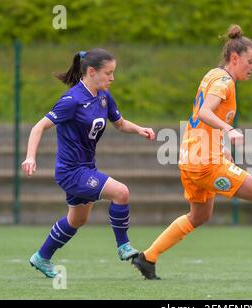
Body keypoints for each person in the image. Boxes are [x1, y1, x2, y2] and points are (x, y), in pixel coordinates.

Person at [131, 25, 252, 280]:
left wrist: (221, 144)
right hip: (205, 163)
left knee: (199, 215)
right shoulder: (224, 82)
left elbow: (202, 118)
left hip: (191, 157)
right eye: (251, 61)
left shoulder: (214, 74)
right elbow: (205, 113)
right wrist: (228, 130)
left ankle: (148, 258)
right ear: (235, 58)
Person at [22, 48, 155, 278]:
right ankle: (123, 247)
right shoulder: (72, 100)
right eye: (108, 73)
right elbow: (38, 127)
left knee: (77, 220)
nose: (112, 78)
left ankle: (41, 257)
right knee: (121, 192)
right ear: (91, 72)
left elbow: (120, 123)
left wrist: (139, 129)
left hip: (86, 168)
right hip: (71, 172)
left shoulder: (103, 96)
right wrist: (30, 156)